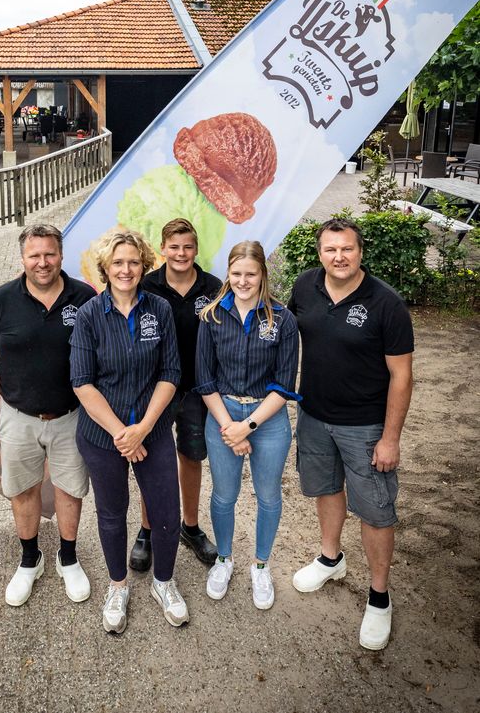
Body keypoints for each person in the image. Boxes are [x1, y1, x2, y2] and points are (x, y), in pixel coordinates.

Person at [287, 218, 414, 651]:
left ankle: (380, 596)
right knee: (326, 490)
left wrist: (390, 438)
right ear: (319, 253)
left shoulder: (386, 304)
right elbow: (282, 332)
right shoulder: (306, 287)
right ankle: (330, 558)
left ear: (361, 252)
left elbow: (402, 376)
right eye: (330, 249)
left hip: (365, 426)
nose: (339, 257)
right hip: (314, 415)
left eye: (347, 249)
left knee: (376, 510)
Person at [0, 224, 95, 608]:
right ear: (22, 259)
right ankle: (30, 560)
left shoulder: (85, 297)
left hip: (71, 414)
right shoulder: (2, 299)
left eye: (50, 254)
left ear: (61, 255)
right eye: (34, 255)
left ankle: (68, 558)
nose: (42, 263)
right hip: (18, 415)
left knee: (69, 489)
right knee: (23, 489)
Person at [70, 230, 188, 635]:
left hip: (151, 432)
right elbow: (82, 382)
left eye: (133, 262)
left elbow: (171, 373)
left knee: (167, 513)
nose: (126, 269)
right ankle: (117, 586)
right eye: (118, 262)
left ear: (144, 265)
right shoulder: (89, 315)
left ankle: (164, 584)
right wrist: (123, 433)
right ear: (105, 267)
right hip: (104, 437)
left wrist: (144, 429)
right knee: (111, 512)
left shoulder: (160, 309)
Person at [195, 240, 299, 610]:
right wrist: (229, 426)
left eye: (250, 274)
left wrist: (248, 426)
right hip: (222, 413)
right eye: (236, 273)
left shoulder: (282, 320)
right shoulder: (211, 317)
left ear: (262, 275)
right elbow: (204, 379)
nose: (243, 280)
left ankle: (260, 565)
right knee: (224, 495)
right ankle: (224, 559)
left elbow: (285, 385)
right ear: (228, 274)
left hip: (266, 418)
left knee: (268, 495)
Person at [129, 218, 221, 572]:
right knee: (150, 457)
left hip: (197, 389)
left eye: (187, 247)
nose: (181, 254)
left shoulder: (214, 287)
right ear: (163, 249)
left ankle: (191, 526)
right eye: (174, 247)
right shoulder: (147, 287)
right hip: (154, 389)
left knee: (191, 457)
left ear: (196, 250)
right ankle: (146, 529)